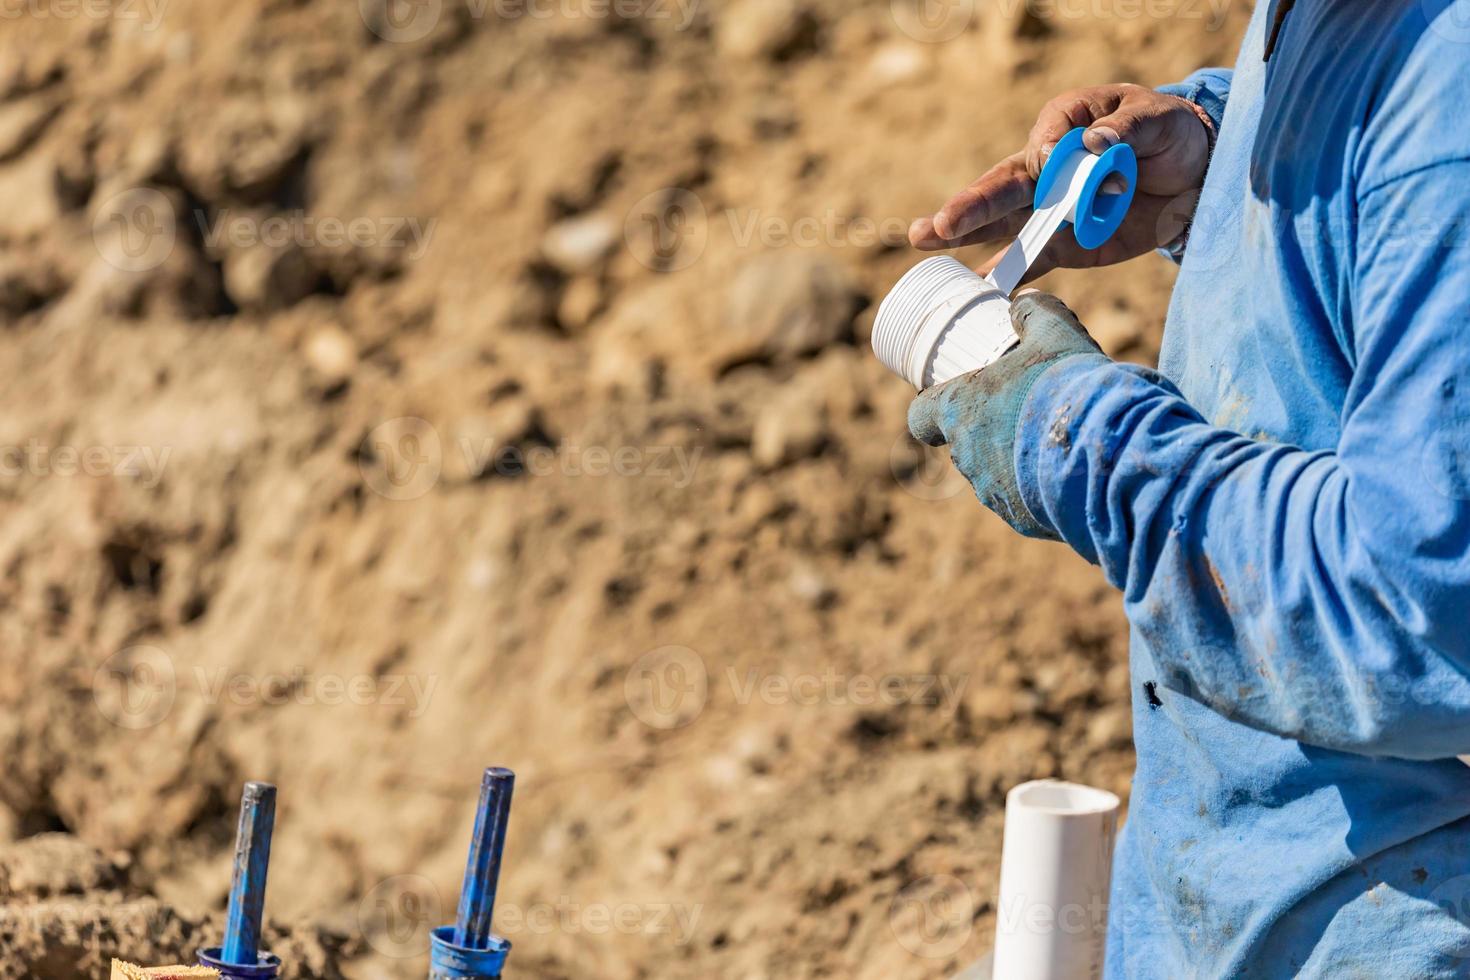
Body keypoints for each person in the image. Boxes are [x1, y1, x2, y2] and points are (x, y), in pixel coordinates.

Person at [905, 1, 1470, 975]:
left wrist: (1083, 440)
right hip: (1264, 888)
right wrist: (1225, 162)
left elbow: (1418, 615)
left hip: (1391, 917)